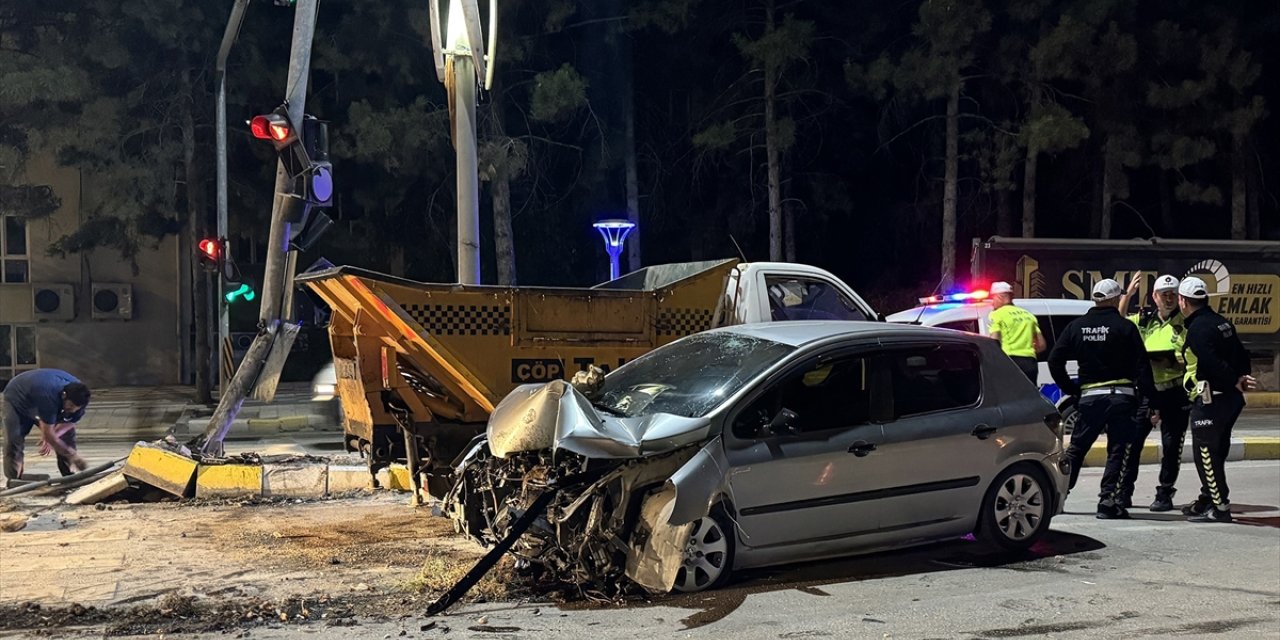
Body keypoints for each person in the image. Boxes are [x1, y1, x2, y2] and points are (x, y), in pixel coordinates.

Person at [1048, 279, 1154, 519]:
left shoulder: (1077, 326)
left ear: (1096, 299)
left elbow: (1055, 360)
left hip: (1089, 399)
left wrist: (1072, 390)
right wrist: (1149, 400)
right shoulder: (1125, 327)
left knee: (1076, 449)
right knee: (1118, 450)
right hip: (1122, 398)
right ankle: (1108, 501)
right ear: (1116, 299)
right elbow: (1142, 366)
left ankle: (1058, 497)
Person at [1176, 277, 1256, 523]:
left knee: (1206, 454)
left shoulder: (1198, 328)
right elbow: (1241, 353)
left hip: (1213, 399)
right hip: (1230, 400)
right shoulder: (1221, 322)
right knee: (1217, 449)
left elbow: (1210, 361)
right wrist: (1240, 377)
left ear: (1183, 301)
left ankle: (1220, 508)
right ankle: (1208, 500)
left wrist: (1232, 378)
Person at [1116, 273, 1191, 512]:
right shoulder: (1145, 320)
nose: (1168, 300)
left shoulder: (1187, 323)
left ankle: (1165, 493)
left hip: (1175, 392)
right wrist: (1127, 294)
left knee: (1171, 445)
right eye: (1163, 295)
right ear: (1154, 297)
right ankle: (1123, 492)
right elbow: (1119, 321)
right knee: (1132, 442)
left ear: (1179, 298)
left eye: (1172, 295)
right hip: (1147, 392)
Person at [2, 369, 92, 481]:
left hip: (40, 394)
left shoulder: (81, 397)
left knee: (66, 437)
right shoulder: (48, 397)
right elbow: (49, 434)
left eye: (75, 408)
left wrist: (54, 436)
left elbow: (69, 423)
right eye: (70, 406)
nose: (72, 410)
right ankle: (14, 478)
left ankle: (70, 476)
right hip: (18, 398)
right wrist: (73, 455)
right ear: (64, 396)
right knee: (14, 439)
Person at [987, 281, 1047, 383]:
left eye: (993, 298)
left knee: (1010, 396)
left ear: (1000, 297)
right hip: (1030, 364)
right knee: (1029, 396)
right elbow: (1041, 345)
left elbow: (994, 342)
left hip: (1010, 362)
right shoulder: (1028, 315)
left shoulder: (997, 314)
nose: (993, 303)